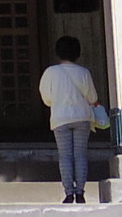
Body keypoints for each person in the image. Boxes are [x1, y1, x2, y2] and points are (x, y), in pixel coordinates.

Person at [39, 36, 100, 204]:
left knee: (64, 156)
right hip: (82, 117)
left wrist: (57, 102)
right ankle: (80, 192)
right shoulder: (84, 72)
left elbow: (47, 98)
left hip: (60, 118)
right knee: (80, 155)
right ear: (77, 53)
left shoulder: (51, 72)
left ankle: (68, 193)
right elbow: (92, 97)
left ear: (58, 52)